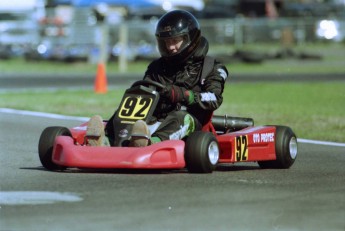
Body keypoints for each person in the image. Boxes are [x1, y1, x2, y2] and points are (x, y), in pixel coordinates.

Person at [86, 10, 228, 147]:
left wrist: (183, 95)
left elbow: (214, 98)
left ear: (190, 39)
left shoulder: (211, 67)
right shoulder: (157, 66)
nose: (170, 47)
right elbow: (146, 91)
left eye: (175, 40)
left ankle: (151, 143)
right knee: (127, 110)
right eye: (166, 42)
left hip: (191, 123)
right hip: (156, 116)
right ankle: (108, 140)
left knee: (180, 117)